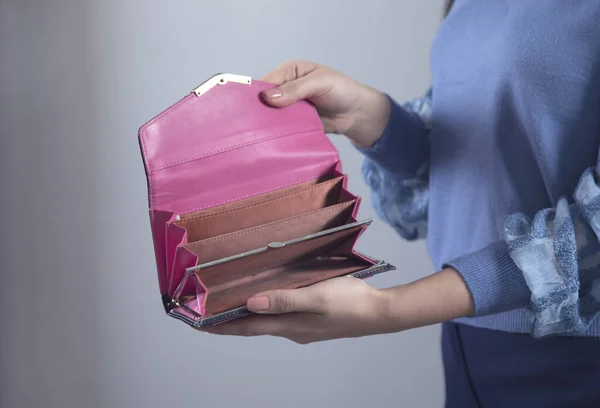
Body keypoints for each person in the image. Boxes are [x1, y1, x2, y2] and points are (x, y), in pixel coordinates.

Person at [200, 1, 600, 406]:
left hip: (575, 360)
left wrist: (388, 309)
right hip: (465, 343)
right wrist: (371, 117)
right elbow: (485, 149)